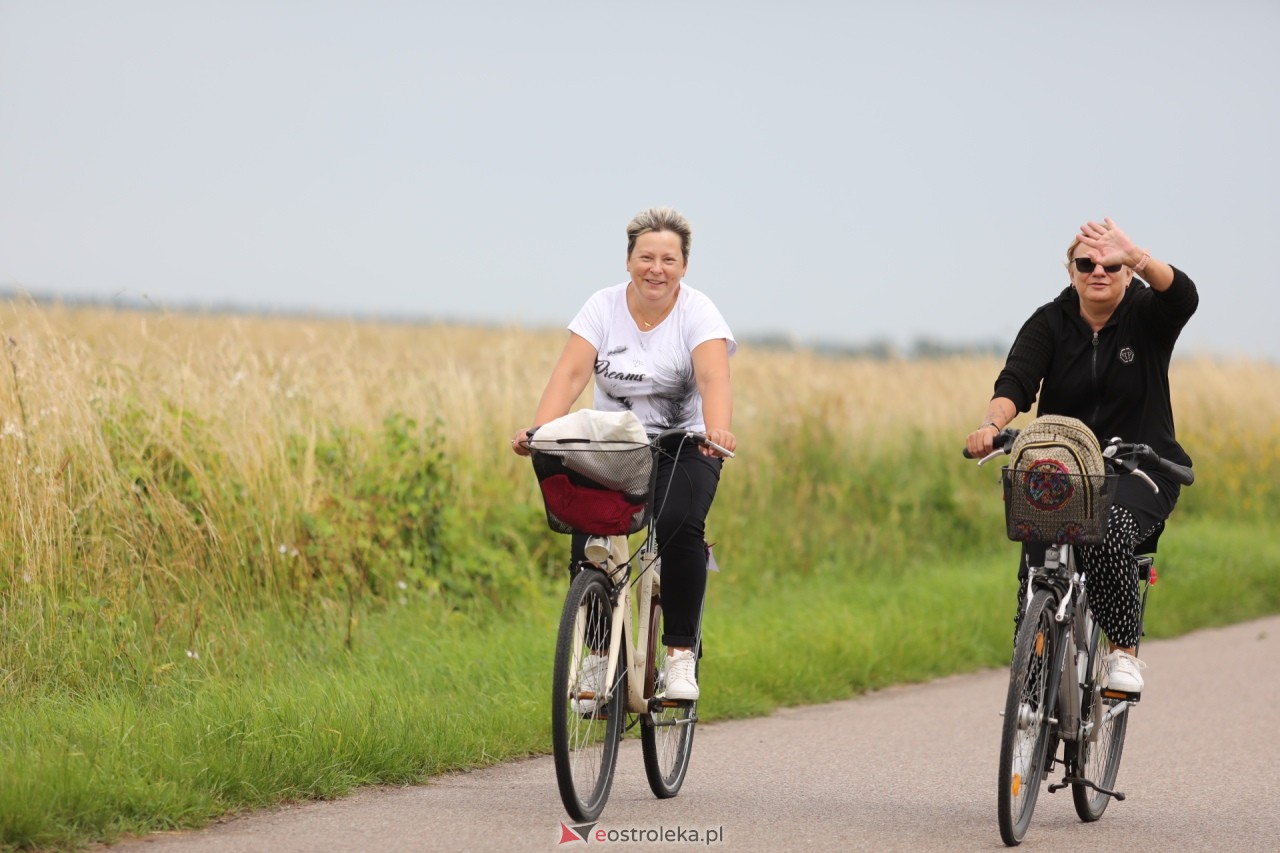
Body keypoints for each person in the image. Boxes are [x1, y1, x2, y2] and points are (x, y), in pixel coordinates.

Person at [964, 218, 1198, 695]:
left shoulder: (1146, 316)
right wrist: (991, 425)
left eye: (1111, 265)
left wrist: (1138, 256)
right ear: (1071, 272)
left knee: (1107, 530)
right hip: (1064, 467)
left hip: (1137, 468)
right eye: (1086, 264)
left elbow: (1183, 297)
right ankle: (1032, 693)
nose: (1098, 272)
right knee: (1036, 563)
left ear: (1127, 272)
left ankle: (1122, 654)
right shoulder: (1050, 322)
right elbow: (1016, 382)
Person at [512, 206, 736, 702]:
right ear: (629, 260)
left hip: (686, 443)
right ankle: (596, 659)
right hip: (615, 442)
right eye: (646, 257)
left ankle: (680, 656)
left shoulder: (699, 313)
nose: (657, 269)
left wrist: (718, 428)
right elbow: (571, 374)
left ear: (684, 266)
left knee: (679, 524)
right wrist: (541, 430)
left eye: (669, 260)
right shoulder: (602, 306)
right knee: (588, 530)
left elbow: (713, 378)